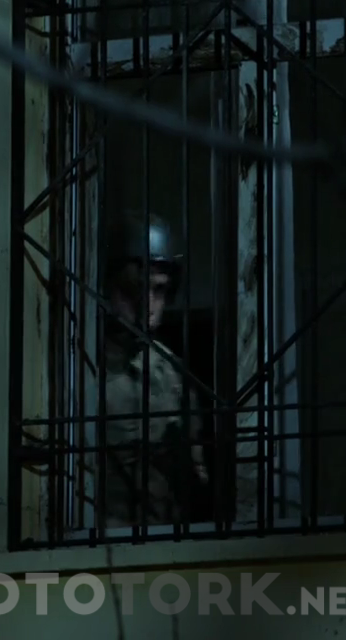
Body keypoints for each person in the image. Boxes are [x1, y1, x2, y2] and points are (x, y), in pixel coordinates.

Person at [94, 212, 209, 527]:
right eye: (134, 289)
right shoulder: (76, 368)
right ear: (106, 286)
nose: (147, 305)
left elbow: (196, 477)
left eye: (158, 290)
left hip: (163, 540)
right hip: (94, 542)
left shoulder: (171, 374)